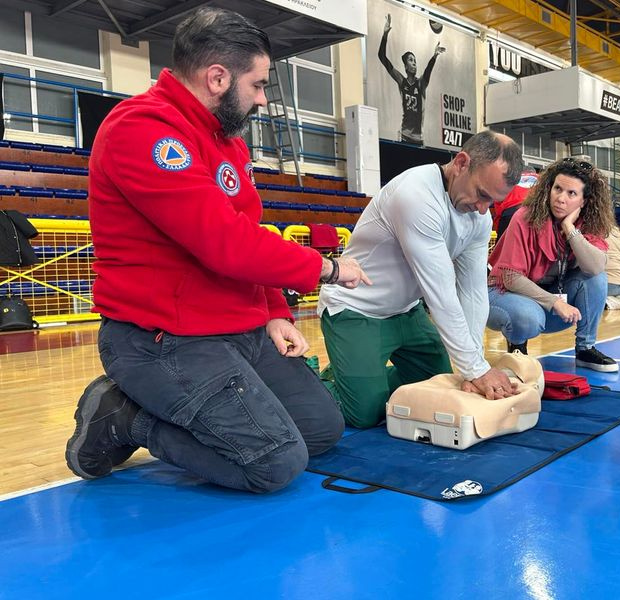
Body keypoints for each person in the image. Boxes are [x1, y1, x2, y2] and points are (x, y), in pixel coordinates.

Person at [65, 8, 370, 494]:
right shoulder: (142, 129)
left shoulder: (226, 141)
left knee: (320, 430)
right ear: (217, 77)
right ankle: (126, 419)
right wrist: (325, 268)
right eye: (258, 84)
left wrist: (273, 311)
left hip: (236, 327)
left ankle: (175, 410)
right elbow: (224, 243)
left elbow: (247, 229)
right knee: (274, 465)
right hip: (164, 339)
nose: (263, 99)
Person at [317, 130, 525, 428]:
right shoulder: (415, 195)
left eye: (492, 202)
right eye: (481, 194)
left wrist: (474, 367)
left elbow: (473, 292)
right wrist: (476, 370)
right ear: (462, 163)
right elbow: (441, 294)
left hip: (406, 312)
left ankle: (359, 376)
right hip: (355, 310)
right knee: (365, 413)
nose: (483, 209)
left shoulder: (479, 217)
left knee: (440, 387)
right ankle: (329, 380)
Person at [485, 157, 619, 372]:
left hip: (547, 298)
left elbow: (594, 268)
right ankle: (518, 350)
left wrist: (569, 228)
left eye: (571, 193)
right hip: (501, 294)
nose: (560, 198)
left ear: (584, 201)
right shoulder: (525, 216)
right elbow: (510, 276)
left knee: (596, 279)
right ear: (549, 187)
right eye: (557, 189)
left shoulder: (588, 223)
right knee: (528, 316)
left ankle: (585, 348)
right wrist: (555, 303)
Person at [378, 13, 444, 146]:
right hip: (404, 136)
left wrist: (434, 57)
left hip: (418, 139)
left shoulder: (421, 84)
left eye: (415, 61)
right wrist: (385, 34)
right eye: (411, 60)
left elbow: (427, 72)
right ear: (405, 66)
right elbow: (382, 57)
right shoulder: (402, 82)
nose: (414, 63)